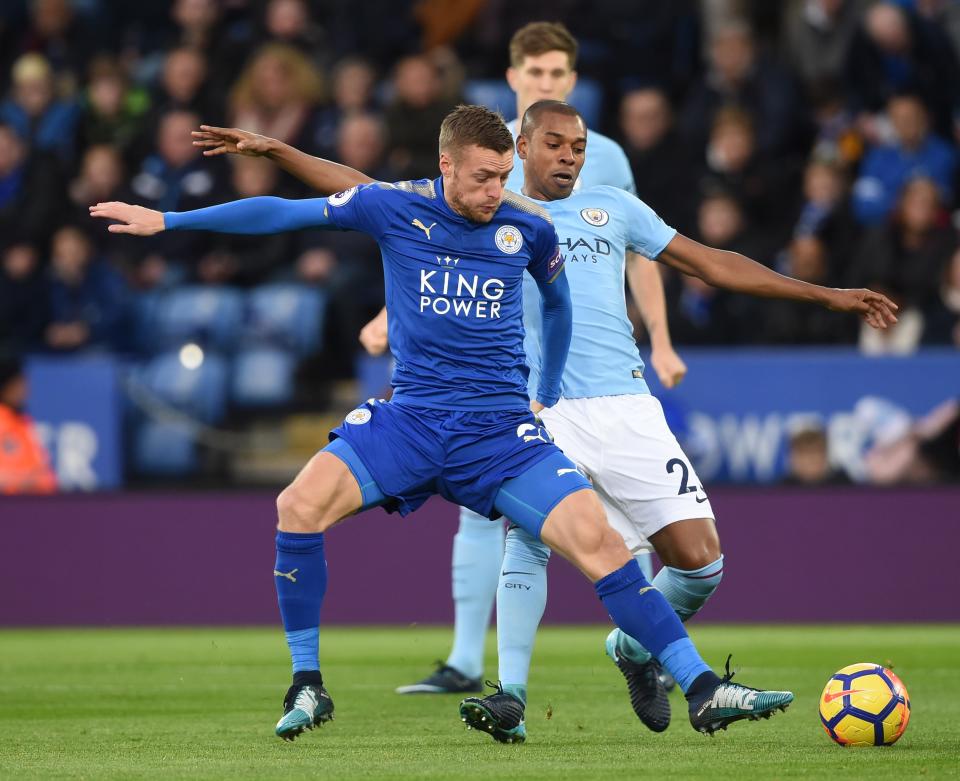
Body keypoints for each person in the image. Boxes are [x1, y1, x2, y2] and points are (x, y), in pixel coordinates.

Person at [185, 101, 896, 742]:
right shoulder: (482, 208)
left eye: (579, 146)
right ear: (521, 148)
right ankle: (517, 693)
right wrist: (275, 152)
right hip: (521, 412)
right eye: (554, 143)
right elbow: (356, 187)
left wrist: (824, 295)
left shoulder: (612, 207)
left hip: (622, 402)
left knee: (701, 560)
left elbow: (709, 261)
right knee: (536, 542)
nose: (569, 156)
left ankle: (637, 649)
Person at [0, 354, 57, 495]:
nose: (25, 390)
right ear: (6, 386)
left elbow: (43, 471)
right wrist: (26, 480)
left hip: (33, 505)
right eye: (19, 384)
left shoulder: (23, 421)